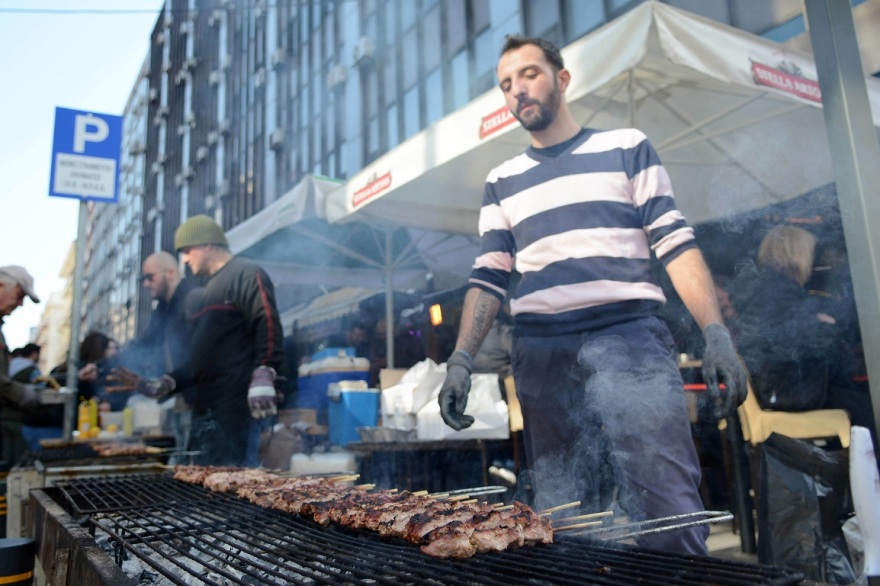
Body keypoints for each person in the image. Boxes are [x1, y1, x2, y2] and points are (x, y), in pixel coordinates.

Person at [436, 36, 746, 556]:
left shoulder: (626, 146)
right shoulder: (501, 181)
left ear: (562, 78)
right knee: (561, 510)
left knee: (667, 503)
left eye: (529, 74)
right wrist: (461, 359)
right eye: (506, 85)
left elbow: (674, 242)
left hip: (629, 338)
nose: (517, 91)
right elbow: (489, 275)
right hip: (540, 351)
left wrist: (716, 333)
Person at [114, 215, 286, 466]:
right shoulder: (204, 294)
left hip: (234, 406)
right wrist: (168, 382)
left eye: (187, 250)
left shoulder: (246, 273)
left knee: (234, 482)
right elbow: (200, 357)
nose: (185, 258)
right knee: (201, 480)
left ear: (207, 244)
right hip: (205, 406)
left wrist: (265, 370)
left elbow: (267, 322)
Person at [728, 225, 838, 412]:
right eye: (812, 254)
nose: (813, 262)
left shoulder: (762, 289)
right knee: (864, 407)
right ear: (797, 256)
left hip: (769, 390)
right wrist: (820, 323)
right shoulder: (780, 292)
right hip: (787, 393)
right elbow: (790, 338)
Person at [120, 251, 199, 458]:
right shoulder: (162, 309)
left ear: (170, 273)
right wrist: (102, 365)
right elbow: (142, 344)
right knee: (184, 461)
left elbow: (203, 356)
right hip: (179, 399)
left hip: (200, 401)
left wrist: (170, 381)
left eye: (150, 277)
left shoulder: (193, 300)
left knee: (196, 464)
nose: (146, 284)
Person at [2, 343, 41, 463]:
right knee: (17, 457)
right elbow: (39, 388)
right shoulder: (32, 370)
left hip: (4, 414)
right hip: (18, 417)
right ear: (34, 354)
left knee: (6, 454)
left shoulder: (12, 364)